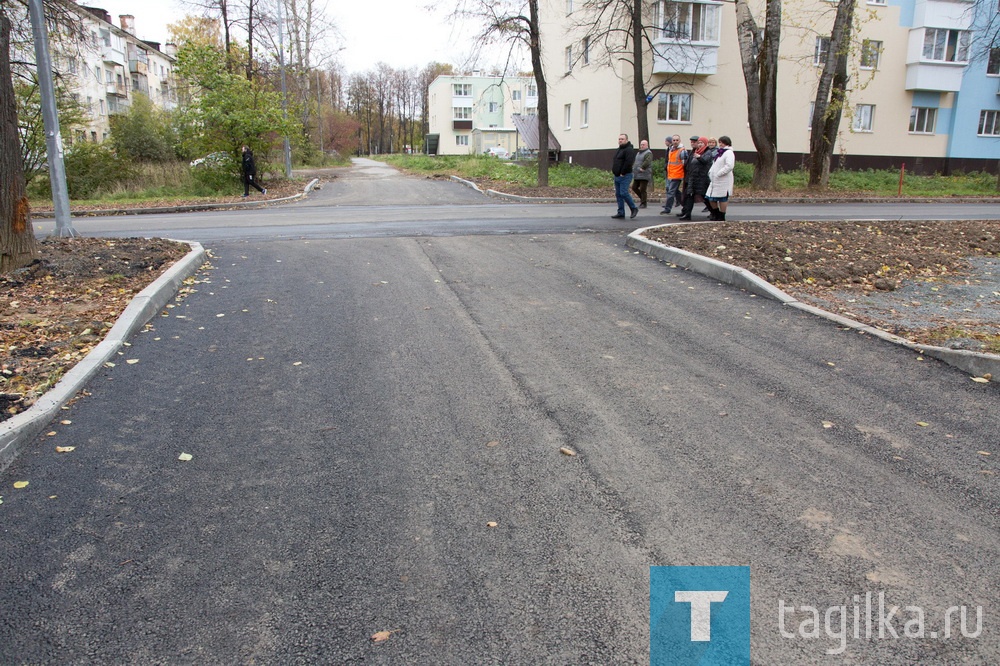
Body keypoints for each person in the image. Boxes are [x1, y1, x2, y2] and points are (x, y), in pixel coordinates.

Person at [677, 137, 712, 220]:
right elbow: (690, 164)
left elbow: (705, 161)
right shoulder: (695, 151)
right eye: (698, 143)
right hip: (692, 177)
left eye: (701, 143)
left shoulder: (707, 152)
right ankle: (687, 214)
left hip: (701, 178)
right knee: (689, 195)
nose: (699, 144)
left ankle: (715, 212)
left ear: (705, 144)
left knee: (704, 197)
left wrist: (699, 157)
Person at [705, 135, 735, 221]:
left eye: (722, 142)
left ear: (726, 143)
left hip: (723, 180)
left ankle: (722, 215)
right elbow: (715, 164)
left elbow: (729, 166)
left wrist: (719, 174)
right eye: (720, 142)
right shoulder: (720, 152)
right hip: (714, 180)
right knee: (710, 197)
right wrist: (710, 173)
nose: (720, 144)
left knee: (722, 198)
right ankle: (716, 213)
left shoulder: (729, 152)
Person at [611, 133, 638, 219]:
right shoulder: (619, 149)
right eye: (619, 139)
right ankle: (621, 212)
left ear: (626, 140)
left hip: (625, 175)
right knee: (618, 194)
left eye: (622, 139)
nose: (620, 140)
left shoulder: (629, 150)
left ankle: (633, 208)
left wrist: (623, 172)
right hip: (617, 175)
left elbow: (629, 162)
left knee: (624, 193)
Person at [660, 134, 686, 215]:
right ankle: (685, 205)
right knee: (674, 191)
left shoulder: (682, 151)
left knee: (671, 191)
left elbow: (684, 163)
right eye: (674, 140)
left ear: (679, 141)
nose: (675, 142)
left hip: (677, 174)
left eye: (677, 140)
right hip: (671, 173)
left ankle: (667, 208)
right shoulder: (671, 149)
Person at [631, 139, 653, 208]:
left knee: (643, 189)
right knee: (634, 187)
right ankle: (643, 199)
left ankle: (644, 203)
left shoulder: (648, 153)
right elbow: (636, 162)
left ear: (647, 145)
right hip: (637, 173)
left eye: (643, 144)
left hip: (644, 174)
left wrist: (643, 168)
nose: (642, 146)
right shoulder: (638, 153)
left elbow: (647, 161)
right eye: (641, 144)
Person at [702, 138, 719, 211]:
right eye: (710, 142)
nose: (711, 144)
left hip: (712, 172)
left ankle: (713, 206)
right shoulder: (706, 151)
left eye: (713, 142)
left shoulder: (717, 151)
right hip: (706, 172)